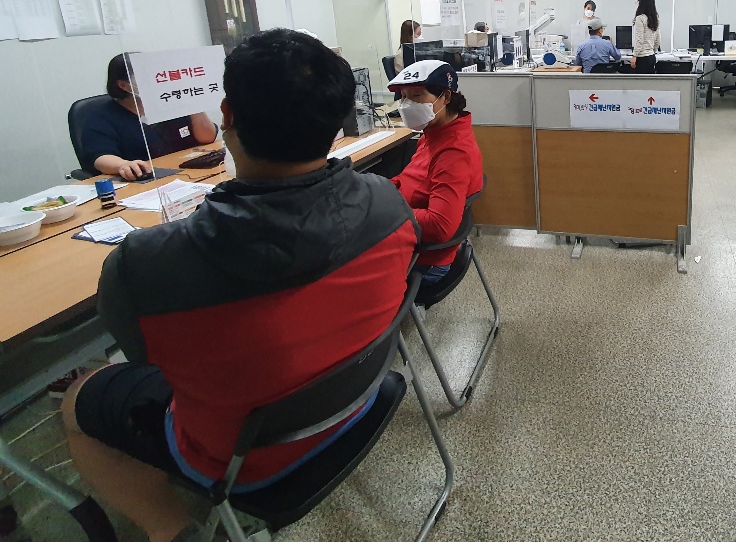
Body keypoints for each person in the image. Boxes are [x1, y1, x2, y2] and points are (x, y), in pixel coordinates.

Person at [62, 29, 418, 542]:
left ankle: (169, 529)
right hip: (357, 402)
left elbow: (145, 360)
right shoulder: (389, 203)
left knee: (80, 395)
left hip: (238, 458)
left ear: (227, 114)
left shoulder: (145, 266)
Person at [388, 60, 484, 285]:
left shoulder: (453, 152)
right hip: (406, 240)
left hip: (421, 261)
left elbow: (440, 225)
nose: (407, 104)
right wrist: (376, 190)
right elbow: (410, 178)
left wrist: (385, 210)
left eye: (417, 96)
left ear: (446, 97)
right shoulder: (434, 133)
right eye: (404, 97)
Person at [81, 54, 217, 180]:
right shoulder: (102, 117)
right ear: (123, 85)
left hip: (190, 174)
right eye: (145, 76)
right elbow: (100, 157)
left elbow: (207, 137)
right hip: (146, 180)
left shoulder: (170, 101)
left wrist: (193, 102)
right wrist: (122, 165)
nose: (156, 80)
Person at [630, 0, 661, 73]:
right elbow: (658, 40)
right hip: (651, 57)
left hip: (641, 58)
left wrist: (634, 55)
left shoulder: (640, 18)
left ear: (641, 3)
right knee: (649, 80)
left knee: (638, 81)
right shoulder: (655, 19)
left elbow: (639, 39)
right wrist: (652, 51)